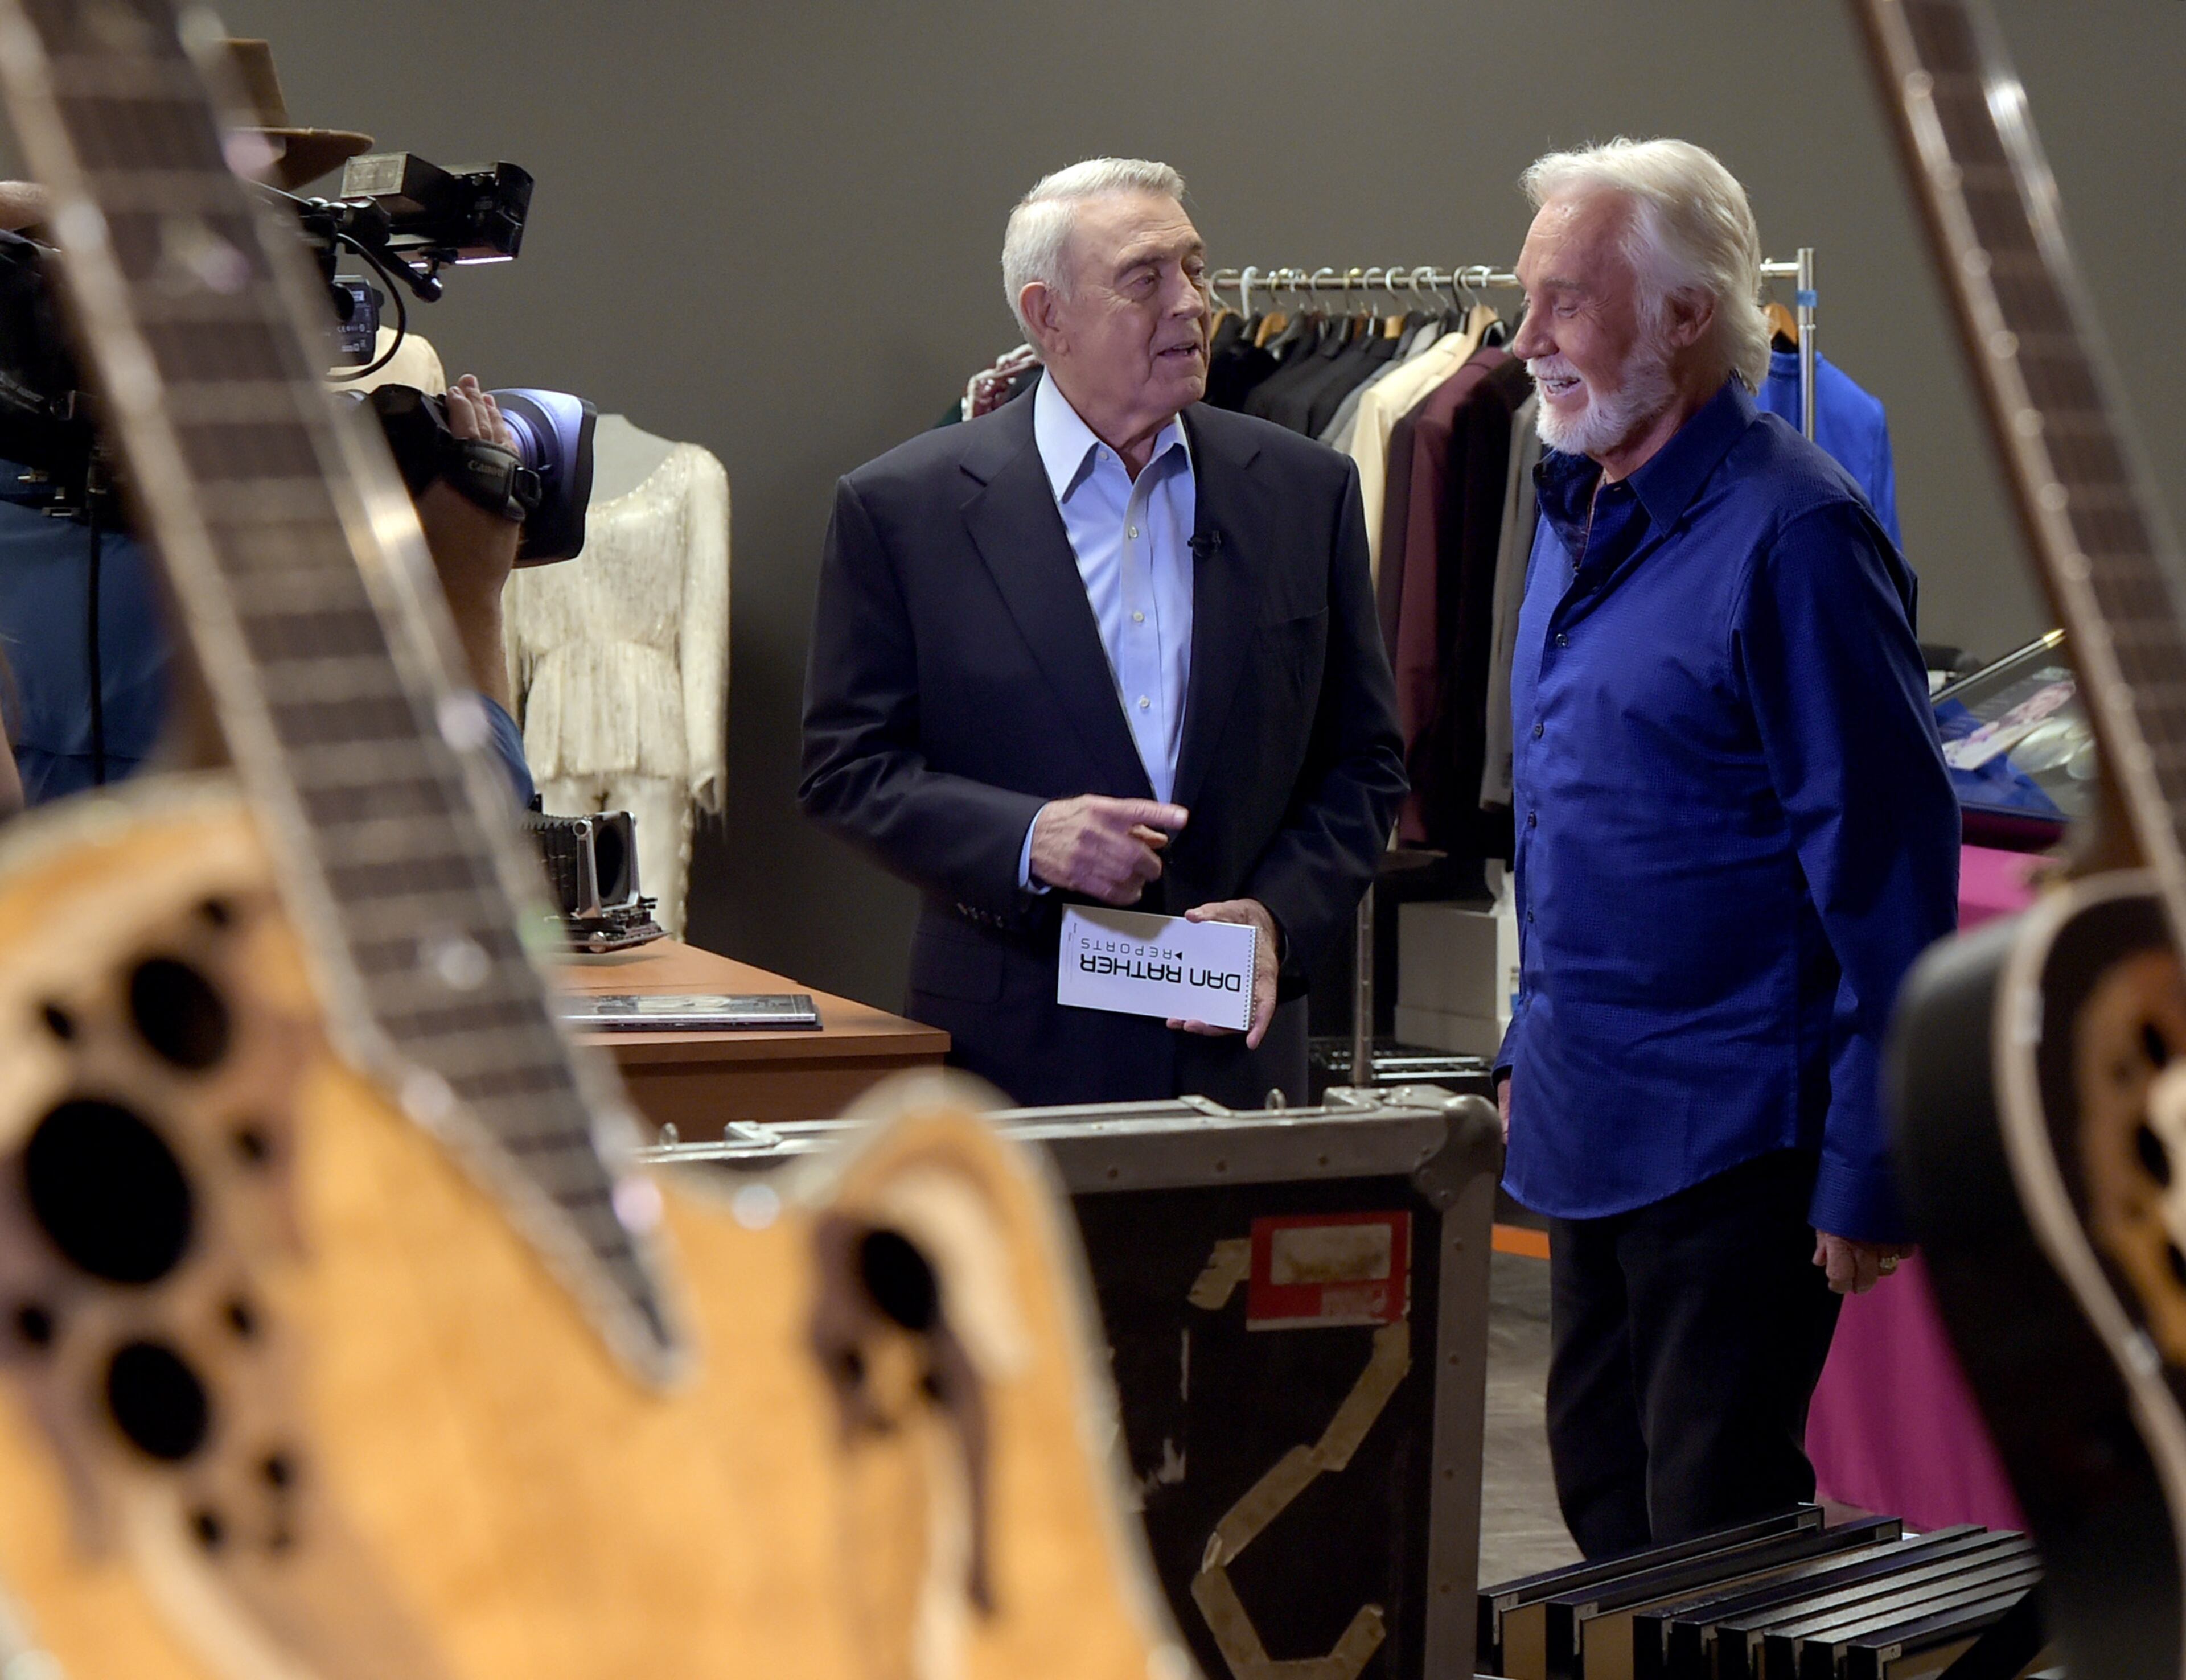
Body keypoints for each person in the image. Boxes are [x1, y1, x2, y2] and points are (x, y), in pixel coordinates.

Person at [1493, 139, 1959, 1557]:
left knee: (1712, 1534)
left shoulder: (1799, 534)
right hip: (1590, 1115)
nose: (1527, 345)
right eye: (1528, 304)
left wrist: (1872, 1163)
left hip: (1737, 1140)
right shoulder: (1575, 500)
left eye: (1566, 305)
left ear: (1687, 316)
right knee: (1600, 1505)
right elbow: (1570, 824)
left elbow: (1888, 873)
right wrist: (1526, 1045)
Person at [800, 158, 1405, 1108]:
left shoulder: (1304, 492)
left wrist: (1280, 923)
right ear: (1048, 317)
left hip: (1236, 1054)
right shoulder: (903, 509)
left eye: (1196, 270)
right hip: (1012, 1056)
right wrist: (1029, 836)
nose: (1193, 305)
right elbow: (847, 770)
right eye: (1145, 278)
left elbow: (1363, 764)